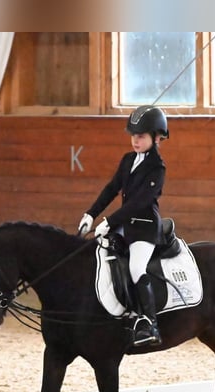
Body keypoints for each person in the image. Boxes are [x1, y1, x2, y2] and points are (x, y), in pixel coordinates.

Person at [77, 105, 169, 346]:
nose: (135, 141)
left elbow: (140, 203)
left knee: (137, 268)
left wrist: (109, 221)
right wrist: (91, 213)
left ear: (157, 137)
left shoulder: (157, 168)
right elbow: (111, 189)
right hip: (125, 225)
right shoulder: (128, 160)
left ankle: (150, 324)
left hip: (145, 228)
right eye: (133, 136)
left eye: (141, 136)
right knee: (99, 255)